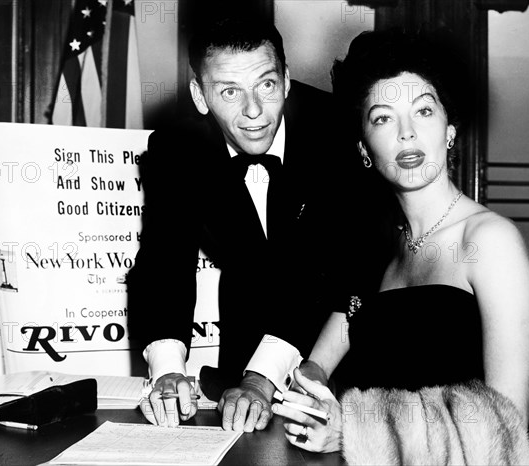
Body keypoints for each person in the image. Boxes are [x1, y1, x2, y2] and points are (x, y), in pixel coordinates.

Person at [273, 29, 529, 463]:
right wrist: (304, 399)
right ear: (363, 149)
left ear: (449, 129)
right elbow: (316, 366)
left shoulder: (489, 241)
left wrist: (352, 431)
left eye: (424, 111)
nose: (406, 133)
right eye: (382, 118)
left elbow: (504, 430)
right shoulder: (380, 247)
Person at [127, 18, 391, 431]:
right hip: (242, 360)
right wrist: (166, 370)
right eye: (229, 92)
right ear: (200, 95)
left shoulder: (339, 134)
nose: (253, 111)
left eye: (266, 85)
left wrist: (262, 377)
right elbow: (163, 261)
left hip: (343, 355)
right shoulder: (175, 148)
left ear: (286, 80)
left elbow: (328, 271)